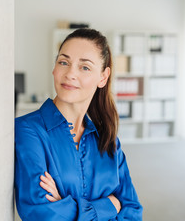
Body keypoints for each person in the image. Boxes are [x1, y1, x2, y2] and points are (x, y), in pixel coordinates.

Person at [14, 28, 143, 221]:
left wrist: (66, 205)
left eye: (84, 67)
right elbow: (41, 215)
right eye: (64, 62)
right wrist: (109, 205)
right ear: (55, 68)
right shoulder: (27, 131)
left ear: (103, 77)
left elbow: (132, 212)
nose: (70, 74)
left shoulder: (109, 140)